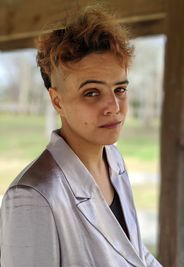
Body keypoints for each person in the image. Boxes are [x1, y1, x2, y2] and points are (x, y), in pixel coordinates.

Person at [0, 6, 162, 267]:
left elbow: (135, 254)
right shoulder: (31, 196)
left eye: (119, 89)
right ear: (57, 101)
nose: (114, 106)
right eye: (92, 92)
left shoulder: (114, 160)